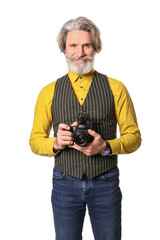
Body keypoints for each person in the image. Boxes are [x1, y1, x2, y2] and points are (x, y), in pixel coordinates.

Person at [29, 16, 141, 240]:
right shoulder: (48, 92)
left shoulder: (116, 88)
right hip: (64, 182)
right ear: (64, 48)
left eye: (86, 45)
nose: (80, 53)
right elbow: (34, 141)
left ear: (95, 47)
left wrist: (106, 146)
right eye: (73, 45)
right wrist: (55, 142)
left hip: (106, 181)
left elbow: (134, 137)